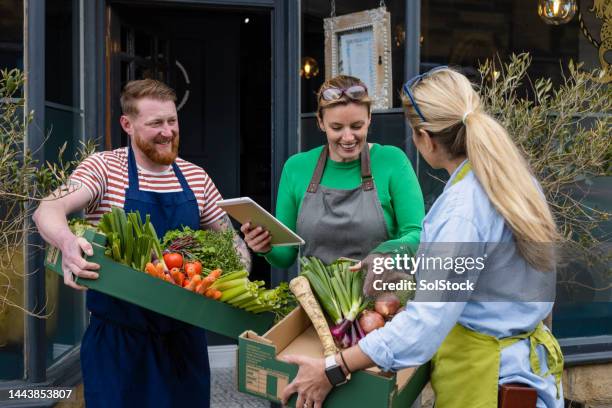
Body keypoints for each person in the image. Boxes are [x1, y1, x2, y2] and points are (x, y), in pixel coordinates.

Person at [279, 67, 564, 408]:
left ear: (426, 139)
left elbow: (426, 322)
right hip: (531, 372)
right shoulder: (513, 181)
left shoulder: (462, 209)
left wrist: (334, 369)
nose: (348, 135)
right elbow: (527, 284)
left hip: (486, 381)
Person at [33, 79, 251, 408]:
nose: (167, 132)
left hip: (184, 343)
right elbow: (48, 209)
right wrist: (66, 242)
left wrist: (242, 268)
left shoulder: (196, 177)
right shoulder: (104, 169)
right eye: (155, 124)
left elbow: (231, 242)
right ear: (127, 124)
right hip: (119, 344)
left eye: (172, 120)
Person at [241, 75, 425, 275]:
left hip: (382, 300)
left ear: (370, 118)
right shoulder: (296, 168)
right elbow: (285, 255)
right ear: (320, 122)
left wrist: (385, 255)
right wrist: (265, 247)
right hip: (315, 303)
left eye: (357, 126)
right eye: (336, 128)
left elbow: (417, 235)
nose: (348, 137)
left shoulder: (392, 161)